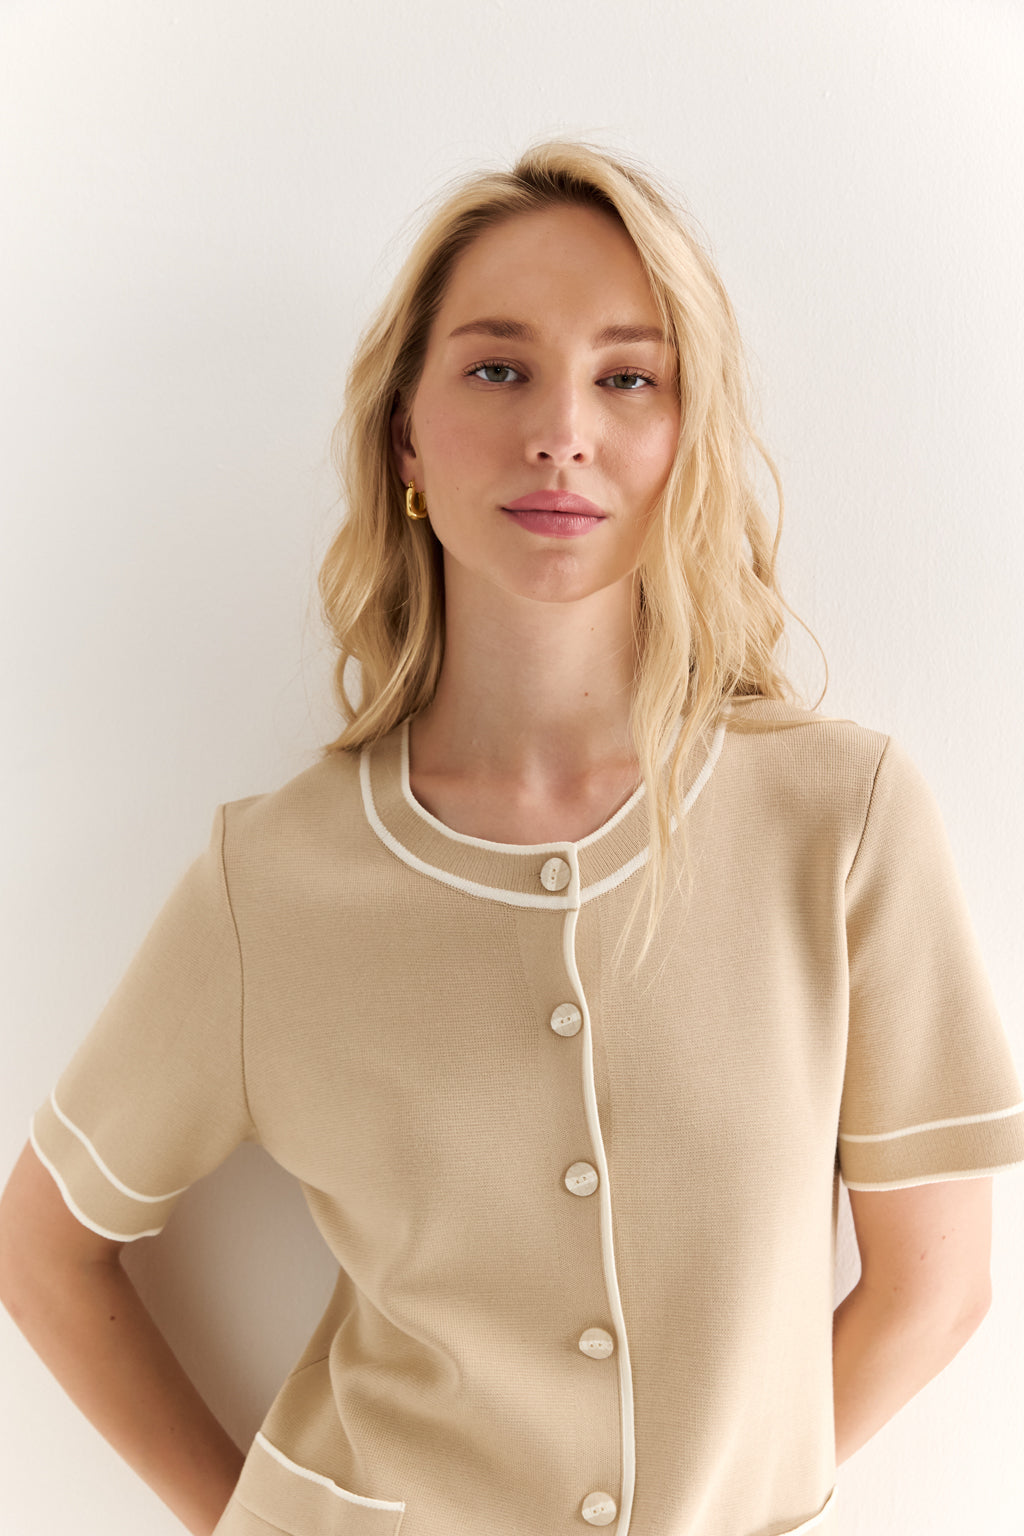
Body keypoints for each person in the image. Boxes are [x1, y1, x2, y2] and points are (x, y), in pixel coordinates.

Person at [1, 136, 1022, 1536]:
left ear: (684, 437)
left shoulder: (838, 821)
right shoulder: (274, 884)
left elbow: (936, 1285)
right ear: (407, 434)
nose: (562, 431)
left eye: (627, 377)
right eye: (497, 369)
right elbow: (42, 1246)